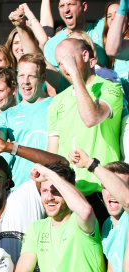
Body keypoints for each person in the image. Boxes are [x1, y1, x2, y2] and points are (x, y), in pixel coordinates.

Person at [47, 38, 123, 222]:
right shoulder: (57, 101)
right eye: (60, 64)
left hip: (102, 192)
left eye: (67, 61)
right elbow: (53, 153)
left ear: (86, 55)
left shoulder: (110, 89)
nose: (64, 68)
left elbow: (91, 118)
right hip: (69, 195)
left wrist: (75, 75)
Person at [0, 53, 53, 187]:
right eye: (22, 75)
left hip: (52, 184)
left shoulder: (56, 105)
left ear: (43, 78)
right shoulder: (6, 115)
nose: (26, 81)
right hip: (20, 187)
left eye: (31, 76)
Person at [43, 0, 108, 69]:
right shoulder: (51, 45)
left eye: (70, 4)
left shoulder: (101, 28)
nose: (66, 10)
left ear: (84, 6)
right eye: (62, 6)